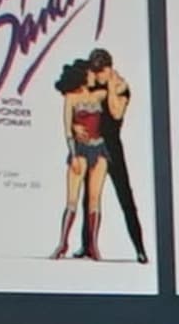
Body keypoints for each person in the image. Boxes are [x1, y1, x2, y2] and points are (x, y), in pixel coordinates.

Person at [89, 50, 146, 263]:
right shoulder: (93, 81)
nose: (98, 75)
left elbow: (116, 113)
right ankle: (87, 245)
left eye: (101, 71)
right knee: (90, 195)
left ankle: (139, 248)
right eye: (95, 71)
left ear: (109, 68)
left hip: (112, 144)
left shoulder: (120, 85)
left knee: (125, 196)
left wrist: (111, 88)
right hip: (93, 142)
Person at [52, 56, 110, 260]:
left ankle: (93, 245)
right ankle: (63, 243)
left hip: (99, 148)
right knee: (72, 199)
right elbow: (67, 129)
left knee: (95, 199)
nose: (95, 76)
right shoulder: (71, 97)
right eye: (92, 72)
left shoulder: (100, 94)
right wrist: (74, 154)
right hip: (80, 150)